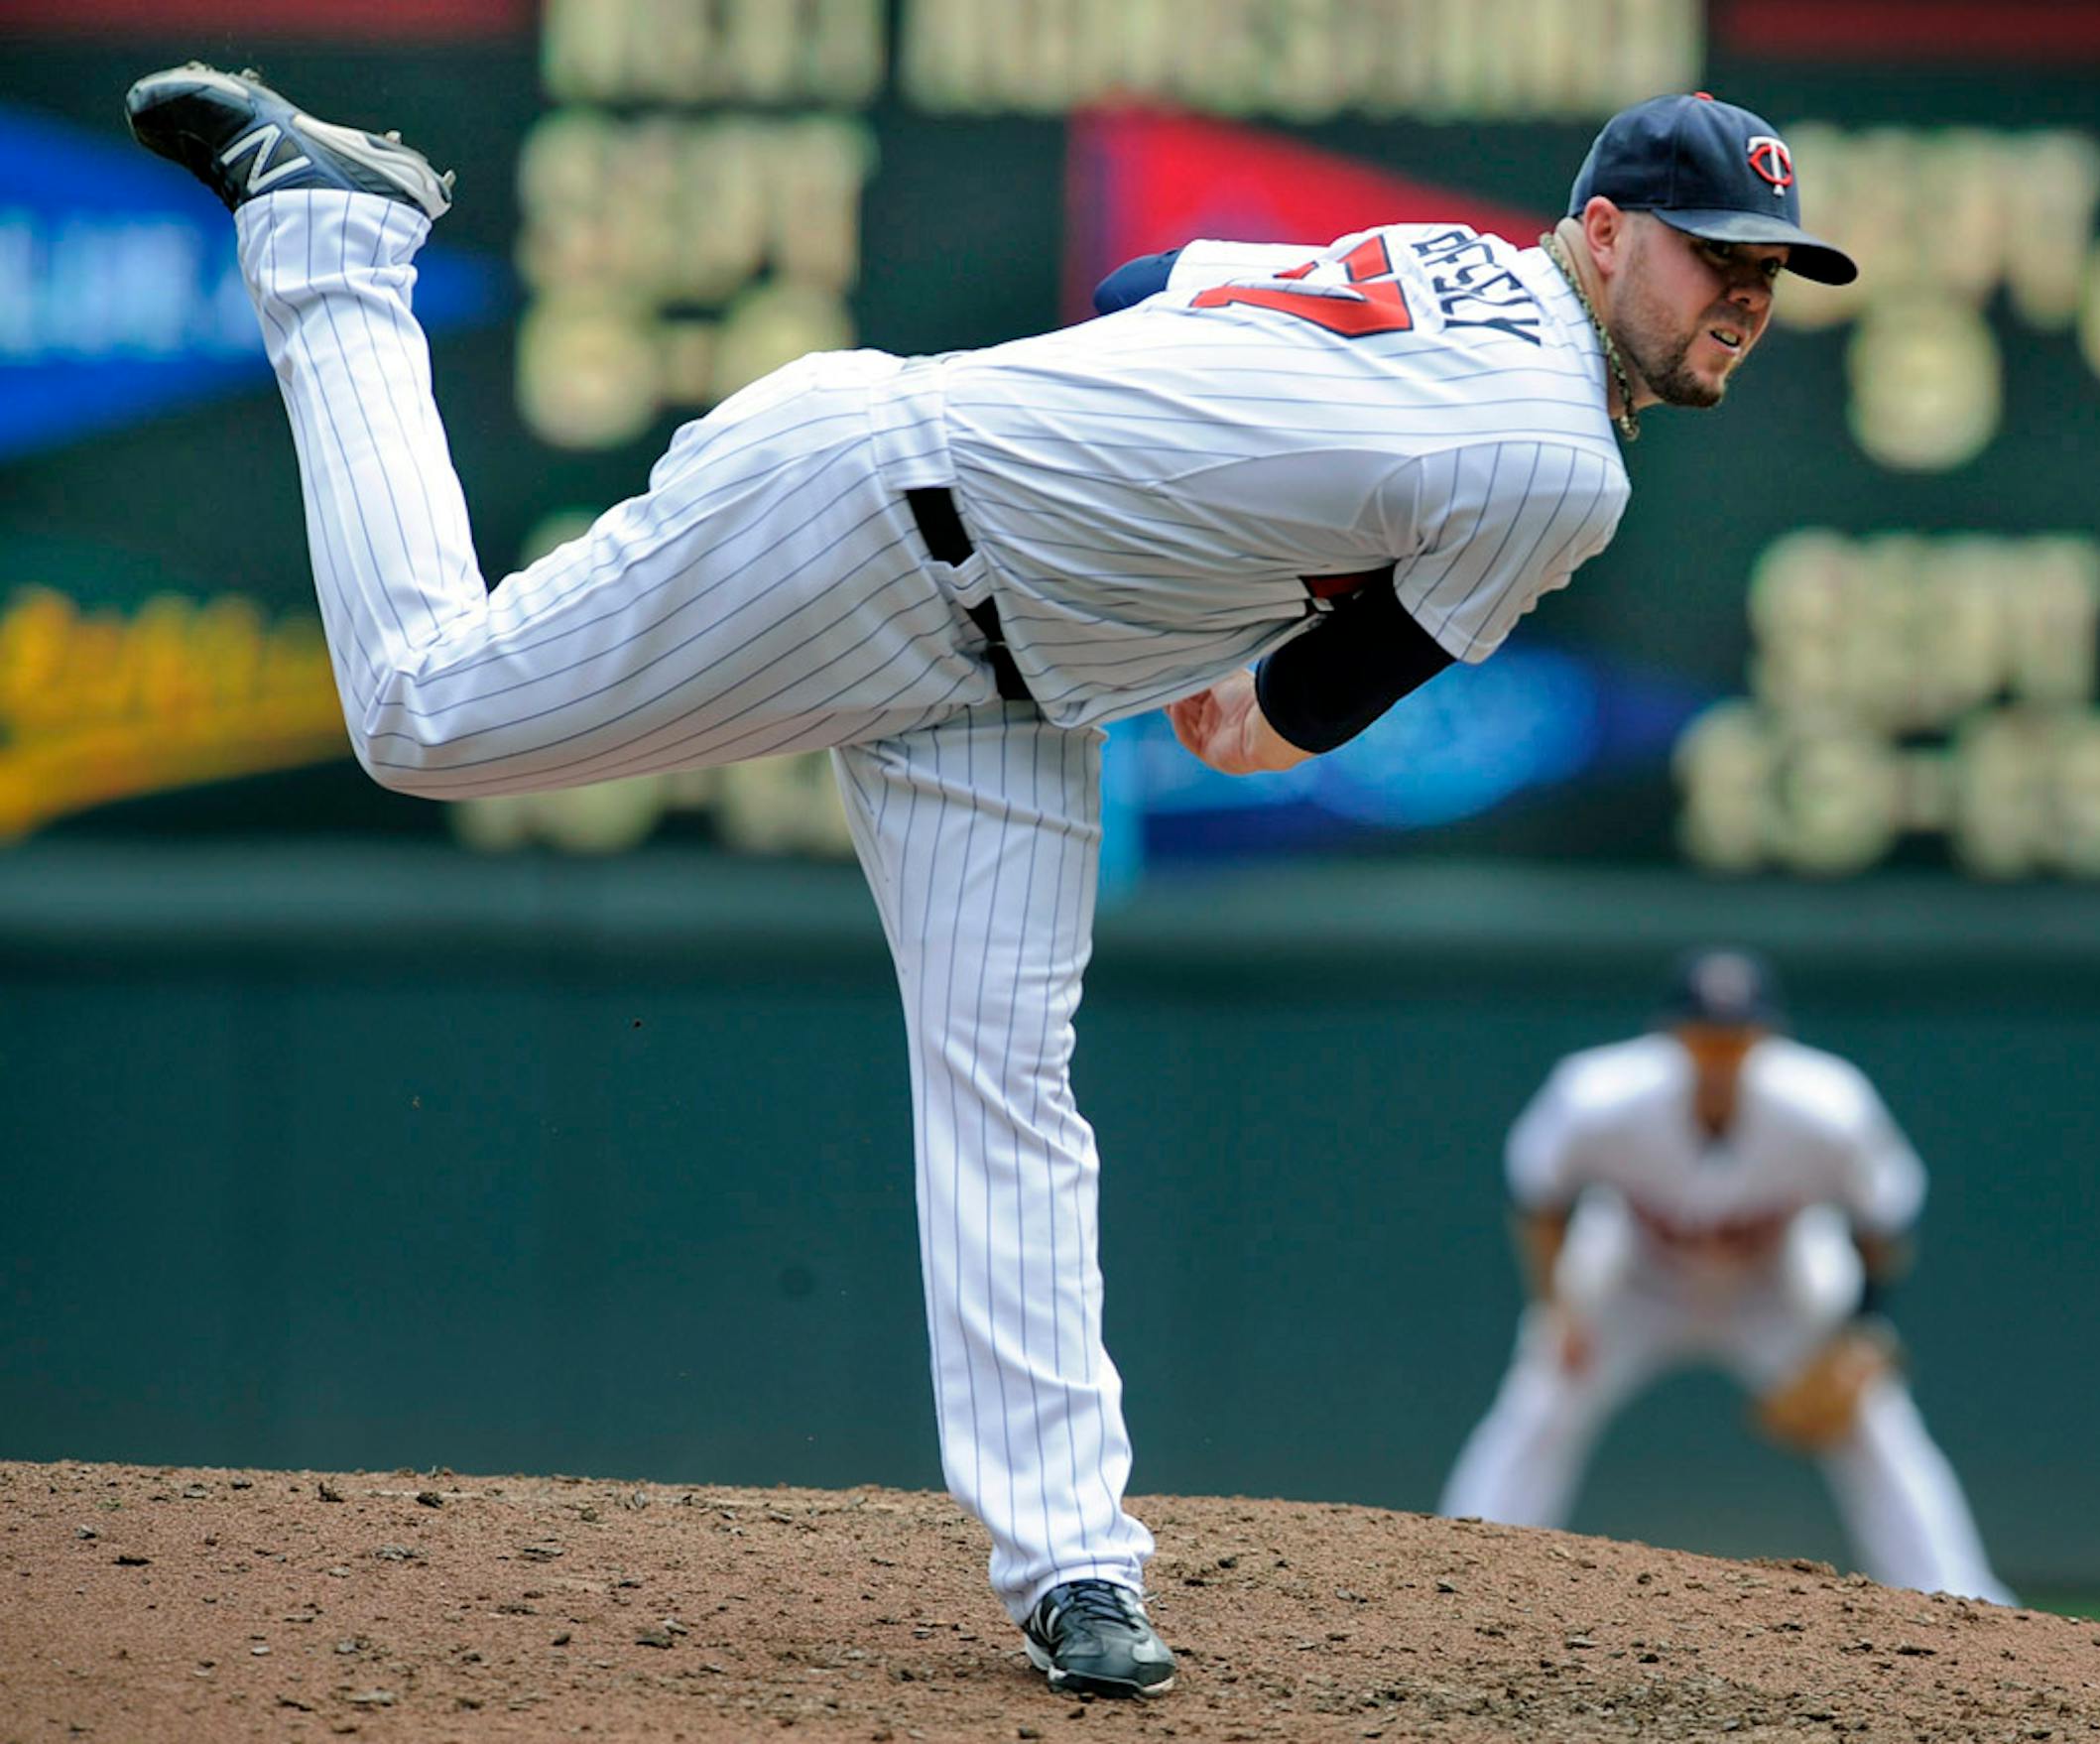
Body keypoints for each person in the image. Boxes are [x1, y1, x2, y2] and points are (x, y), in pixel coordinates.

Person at [122, 62, 1859, 1695]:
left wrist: (1200, 526)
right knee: (424, 710)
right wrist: (1241, 620)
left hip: (1019, 676)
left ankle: (1071, 1565)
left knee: (1013, 1087)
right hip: (868, 528)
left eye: (1771, 273)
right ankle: (336, 240)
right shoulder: (1562, 460)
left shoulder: (1430, 255)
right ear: (1609, 229)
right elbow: (1286, 721)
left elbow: (1146, 284)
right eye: (1716, 252)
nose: (1746, 296)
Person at [1439, 948, 2014, 1605]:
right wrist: (1556, 1309)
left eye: (1735, 1037)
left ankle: (1963, 1598)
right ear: (1670, 1036)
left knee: (1871, 1420)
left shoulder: (1828, 1106)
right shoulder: (1597, 1094)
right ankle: (1461, 1574)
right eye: (1704, 1036)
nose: (1718, 1053)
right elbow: (1539, 1200)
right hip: (1633, 1278)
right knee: (1543, 1394)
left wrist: (1862, 1333)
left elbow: (1884, 1223)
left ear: (1766, 1038)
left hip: (1777, 1283)